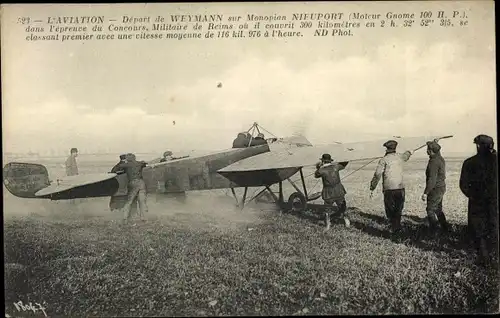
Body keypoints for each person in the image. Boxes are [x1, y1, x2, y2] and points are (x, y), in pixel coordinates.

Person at [459, 134, 498, 266]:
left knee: (478, 230)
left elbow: (463, 185)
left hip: (477, 202)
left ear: (478, 146)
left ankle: (484, 257)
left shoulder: (470, 162)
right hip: (495, 201)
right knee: (494, 226)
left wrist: (473, 196)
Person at [370, 140, 413, 237]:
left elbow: (377, 175)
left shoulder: (383, 160)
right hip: (400, 188)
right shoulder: (400, 157)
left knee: (390, 210)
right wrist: (410, 151)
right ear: (395, 148)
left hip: (389, 189)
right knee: (398, 209)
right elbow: (407, 155)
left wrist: (372, 187)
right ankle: (397, 228)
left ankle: (394, 229)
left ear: (386, 148)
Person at [314, 153, 350, 230]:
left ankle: (327, 226)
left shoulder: (321, 170)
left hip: (328, 192)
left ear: (323, 161)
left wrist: (318, 166)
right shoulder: (336, 167)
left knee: (327, 209)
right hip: (338, 190)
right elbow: (344, 164)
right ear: (330, 160)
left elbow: (316, 175)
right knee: (342, 207)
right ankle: (347, 222)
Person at [421, 140, 448, 233]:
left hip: (435, 189)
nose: (426, 151)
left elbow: (432, 180)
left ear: (430, 150)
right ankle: (445, 228)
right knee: (438, 209)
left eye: (427, 149)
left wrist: (425, 193)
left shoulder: (433, 162)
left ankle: (434, 231)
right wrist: (434, 143)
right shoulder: (440, 158)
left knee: (430, 210)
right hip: (441, 188)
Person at [114, 153, 149, 225]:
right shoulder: (139, 163)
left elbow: (115, 169)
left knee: (129, 201)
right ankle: (144, 218)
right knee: (142, 201)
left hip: (133, 183)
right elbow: (145, 164)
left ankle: (125, 218)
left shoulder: (126, 165)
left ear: (127, 159)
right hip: (141, 183)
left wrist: (123, 162)